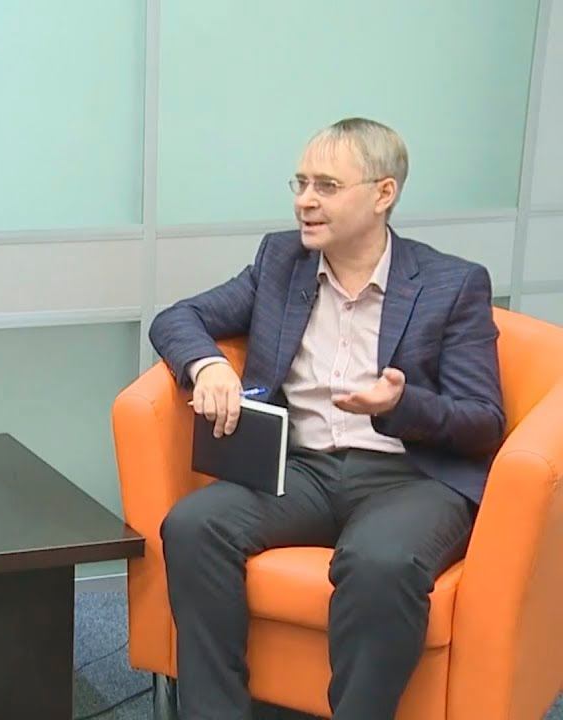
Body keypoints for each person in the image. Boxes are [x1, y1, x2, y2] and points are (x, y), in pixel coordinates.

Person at [149, 117, 504, 719]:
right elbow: (178, 318)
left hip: (409, 477)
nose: (304, 201)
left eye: (327, 186)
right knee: (193, 525)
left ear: (383, 193)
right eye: (301, 183)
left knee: (380, 563)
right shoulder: (280, 260)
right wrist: (208, 366)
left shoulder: (451, 284)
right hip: (302, 470)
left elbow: (483, 420)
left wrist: (401, 406)